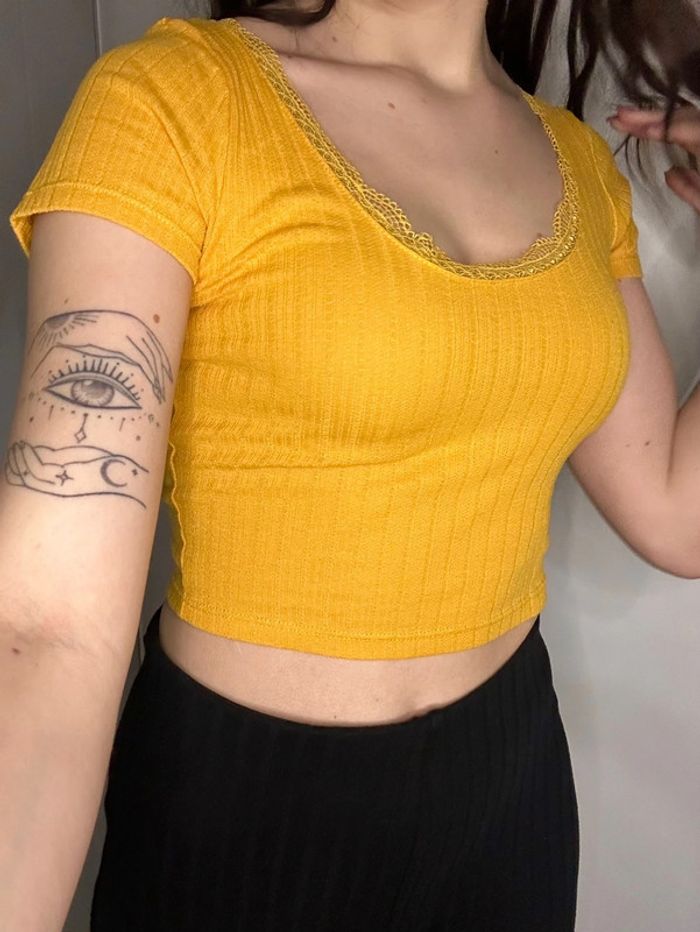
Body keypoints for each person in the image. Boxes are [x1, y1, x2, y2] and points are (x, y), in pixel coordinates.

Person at [2, 1, 699, 929]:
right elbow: (47, 629)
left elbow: (677, 515)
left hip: (511, 782)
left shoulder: (574, 157)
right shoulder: (174, 102)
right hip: (246, 808)